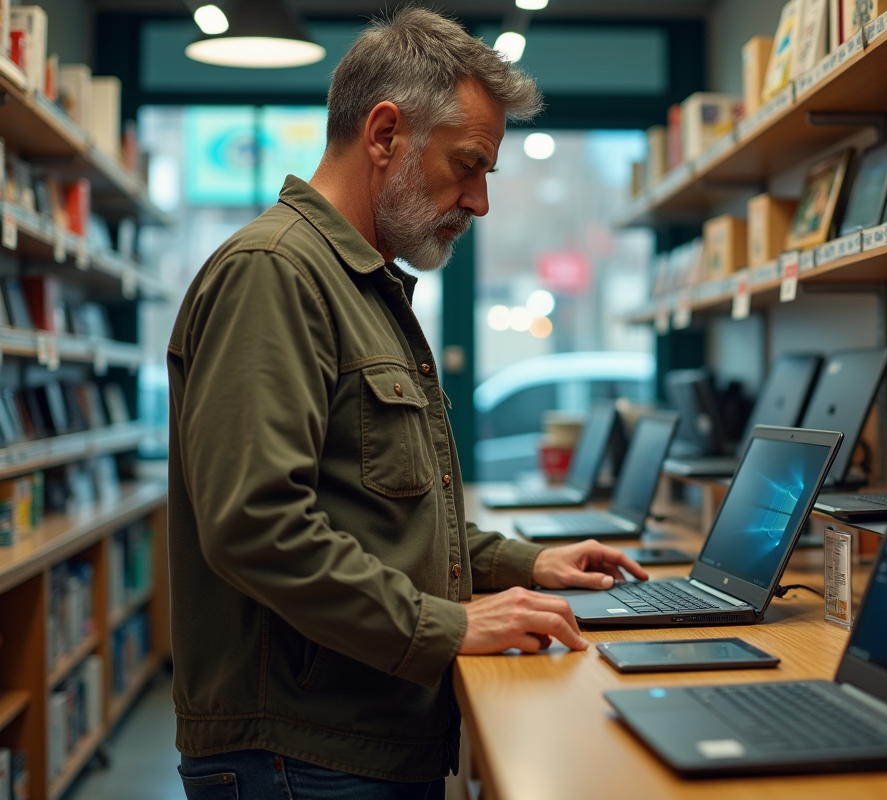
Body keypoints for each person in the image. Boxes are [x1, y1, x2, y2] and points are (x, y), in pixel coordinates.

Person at [167, 8, 648, 799]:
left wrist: (527, 564)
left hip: (350, 741)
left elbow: (386, 514)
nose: (480, 202)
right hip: (299, 755)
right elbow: (256, 526)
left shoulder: (361, 284)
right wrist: (449, 624)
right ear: (384, 134)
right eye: (469, 165)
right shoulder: (275, 273)